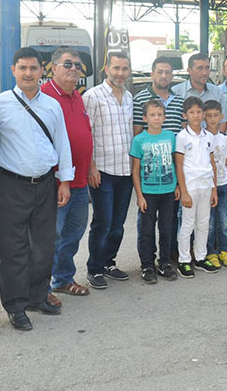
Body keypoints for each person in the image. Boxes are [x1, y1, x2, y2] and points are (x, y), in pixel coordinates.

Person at [0, 47, 73, 331]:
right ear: (13, 70)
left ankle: (38, 297)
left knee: (44, 244)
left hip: (46, 185)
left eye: (33, 68)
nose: (28, 73)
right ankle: (15, 305)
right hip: (12, 185)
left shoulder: (52, 105)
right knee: (12, 248)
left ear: (42, 71)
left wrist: (64, 181)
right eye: (22, 68)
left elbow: (62, 144)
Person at [42, 47, 93, 302]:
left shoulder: (78, 97)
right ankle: (42, 288)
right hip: (56, 183)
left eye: (78, 66)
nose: (74, 69)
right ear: (53, 68)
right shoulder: (44, 97)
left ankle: (62, 279)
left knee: (73, 233)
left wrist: (91, 166)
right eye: (68, 64)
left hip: (80, 181)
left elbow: (85, 135)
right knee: (52, 236)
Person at [83, 52, 134, 289]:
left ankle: (108, 262)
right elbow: (87, 134)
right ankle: (94, 268)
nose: (120, 73)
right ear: (106, 69)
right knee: (102, 222)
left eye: (124, 69)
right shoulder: (92, 96)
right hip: (102, 171)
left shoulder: (129, 97)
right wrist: (91, 167)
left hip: (125, 171)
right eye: (116, 68)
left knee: (118, 222)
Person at [132, 57, 185, 261]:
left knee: (169, 221)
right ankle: (147, 261)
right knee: (146, 224)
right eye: (160, 72)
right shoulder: (141, 98)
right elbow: (137, 132)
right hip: (149, 174)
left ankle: (168, 257)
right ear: (152, 73)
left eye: (168, 72)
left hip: (170, 171)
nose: (164, 76)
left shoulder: (178, 99)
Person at [130, 99, 179, 284]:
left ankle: (165, 262)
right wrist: (139, 195)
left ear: (164, 117)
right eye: (152, 115)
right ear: (145, 118)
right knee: (146, 230)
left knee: (166, 229)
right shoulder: (139, 140)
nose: (156, 118)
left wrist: (178, 186)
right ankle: (147, 265)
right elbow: (135, 170)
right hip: (148, 193)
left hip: (168, 191)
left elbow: (176, 163)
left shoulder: (171, 137)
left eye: (159, 115)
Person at [174, 97, 220, 277]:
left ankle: (200, 257)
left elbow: (212, 162)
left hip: (206, 185)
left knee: (204, 223)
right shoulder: (182, 136)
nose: (195, 115)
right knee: (187, 224)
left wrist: (214, 188)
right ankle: (184, 260)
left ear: (203, 114)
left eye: (198, 112)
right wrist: (183, 191)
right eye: (191, 112)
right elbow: (179, 165)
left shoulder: (209, 136)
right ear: (185, 115)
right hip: (190, 187)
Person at [204, 99, 227, 268]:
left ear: (221, 117)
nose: (213, 119)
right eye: (209, 116)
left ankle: (224, 249)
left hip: (223, 185)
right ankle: (210, 252)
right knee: (209, 221)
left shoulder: (224, 139)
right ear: (203, 117)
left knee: (224, 220)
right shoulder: (202, 137)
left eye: (216, 116)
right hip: (208, 187)